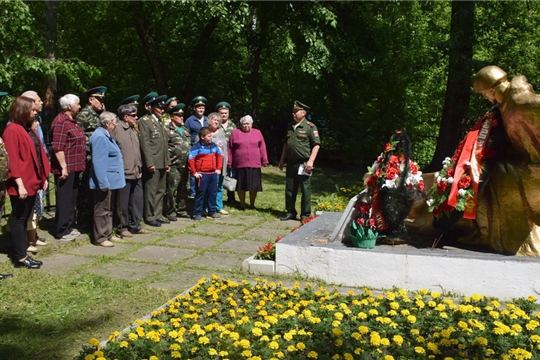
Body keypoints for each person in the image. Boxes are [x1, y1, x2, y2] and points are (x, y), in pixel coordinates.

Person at [3, 96, 50, 269]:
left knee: (25, 218)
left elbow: (38, 154)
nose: (35, 112)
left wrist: (43, 177)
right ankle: (21, 257)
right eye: (31, 110)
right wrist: (19, 184)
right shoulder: (12, 130)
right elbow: (13, 161)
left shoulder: (27, 128)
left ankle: (22, 253)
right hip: (21, 184)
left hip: (32, 181)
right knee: (19, 219)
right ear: (22, 109)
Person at [50, 94, 86, 240]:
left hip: (75, 166)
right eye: (78, 103)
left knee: (72, 197)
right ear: (70, 106)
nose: (80, 106)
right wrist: (63, 167)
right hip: (66, 168)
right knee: (64, 199)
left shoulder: (71, 121)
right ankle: (62, 230)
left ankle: (69, 226)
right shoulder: (61, 122)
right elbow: (58, 147)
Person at [278, 100, 321, 221]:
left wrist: (311, 161)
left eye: (296, 112)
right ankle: (290, 212)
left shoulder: (310, 127)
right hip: (291, 162)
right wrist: (282, 159)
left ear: (303, 113)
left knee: (305, 189)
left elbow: (316, 145)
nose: (294, 114)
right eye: (293, 112)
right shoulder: (290, 126)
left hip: (304, 163)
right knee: (290, 188)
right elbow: (286, 144)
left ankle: (305, 215)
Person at [113, 103, 151, 237]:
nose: (136, 117)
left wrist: (139, 166)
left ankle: (136, 225)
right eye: (134, 115)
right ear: (125, 117)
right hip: (124, 171)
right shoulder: (116, 129)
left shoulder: (133, 129)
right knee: (122, 202)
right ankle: (122, 227)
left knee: (137, 200)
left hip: (136, 171)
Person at [89, 112, 126, 247]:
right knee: (101, 209)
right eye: (114, 122)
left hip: (111, 180)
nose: (116, 124)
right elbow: (98, 162)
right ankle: (100, 237)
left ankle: (108, 233)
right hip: (105, 180)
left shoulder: (106, 135)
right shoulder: (99, 137)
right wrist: (102, 182)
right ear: (107, 123)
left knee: (108, 209)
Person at [76, 86, 108, 233]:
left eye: (103, 99)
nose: (102, 102)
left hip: (95, 157)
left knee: (92, 190)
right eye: (99, 99)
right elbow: (79, 137)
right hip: (87, 158)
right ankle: (83, 222)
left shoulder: (97, 115)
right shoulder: (84, 115)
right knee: (85, 192)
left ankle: (90, 220)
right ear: (91, 100)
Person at [138, 94, 171, 227]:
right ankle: (150, 216)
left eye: (162, 107)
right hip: (153, 162)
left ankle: (157, 214)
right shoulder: (144, 121)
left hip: (162, 161)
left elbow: (164, 144)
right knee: (151, 190)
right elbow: (145, 144)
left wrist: (167, 161)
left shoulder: (160, 121)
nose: (161, 110)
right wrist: (149, 163)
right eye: (158, 107)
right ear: (149, 107)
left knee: (161, 189)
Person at [21, 91, 48, 249]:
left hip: (40, 168)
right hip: (29, 172)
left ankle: (33, 236)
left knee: (38, 206)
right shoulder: (19, 125)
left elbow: (41, 145)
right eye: (38, 100)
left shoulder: (38, 119)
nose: (42, 102)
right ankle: (25, 240)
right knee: (27, 210)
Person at [228, 115, 268, 210]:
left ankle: (252, 204)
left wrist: (265, 160)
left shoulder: (257, 132)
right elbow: (230, 148)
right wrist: (229, 161)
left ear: (251, 124)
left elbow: (262, 147)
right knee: (241, 185)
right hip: (240, 163)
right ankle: (242, 204)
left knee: (254, 186)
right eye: (244, 124)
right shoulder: (235, 133)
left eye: (248, 124)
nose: (246, 126)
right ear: (240, 124)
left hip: (255, 163)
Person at [187, 127, 223, 221]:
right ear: (202, 137)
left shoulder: (214, 145)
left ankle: (212, 211)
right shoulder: (196, 147)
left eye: (211, 136)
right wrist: (194, 172)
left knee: (213, 193)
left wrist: (218, 168)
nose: (211, 138)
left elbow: (219, 156)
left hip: (213, 174)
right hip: (202, 174)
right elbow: (191, 159)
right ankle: (197, 213)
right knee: (200, 194)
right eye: (209, 136)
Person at [164, 104, 191, 221]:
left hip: (185, 164)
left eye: (182, 115)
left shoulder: (185, 130)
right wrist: (166, 163)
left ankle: (182, 209)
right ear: (172, 116)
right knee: (171, 189)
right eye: (178, 115)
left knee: (183, 188)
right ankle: (170, 211)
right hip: (173, 164)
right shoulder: (166, 129)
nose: (181, 117)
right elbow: (164, 148)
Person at [184, 96, 208, 198]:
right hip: (195, 149)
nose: (201, 109)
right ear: (194, 108)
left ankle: (204, 191)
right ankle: (193, 193)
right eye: (199, 107)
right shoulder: (189, 121)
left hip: (207, 150)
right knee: (194, 172)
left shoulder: (208, 119)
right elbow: (186, 136)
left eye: (202, 107)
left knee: (205, 170)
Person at [206, 112, 229, 215]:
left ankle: (218, 206)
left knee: (219, 186)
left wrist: (227, 160)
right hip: (209, 164)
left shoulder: (221, 132)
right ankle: (207, 207)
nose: (216, 122)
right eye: (214, 120)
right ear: (209, 121)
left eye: (218, 120)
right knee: (208, 186)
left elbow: (225, 147)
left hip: (221, 164)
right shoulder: (204, 131)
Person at [216, 101, 238, 205]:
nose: (224, 115)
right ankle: (217, 197)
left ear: (228, 114)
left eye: (225, 113)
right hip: (217, 154)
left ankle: (231, 197)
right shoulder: (215, 124)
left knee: (231, 175)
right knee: (218, 176)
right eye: (222, 113)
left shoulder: (233, 125)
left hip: (230, 154)